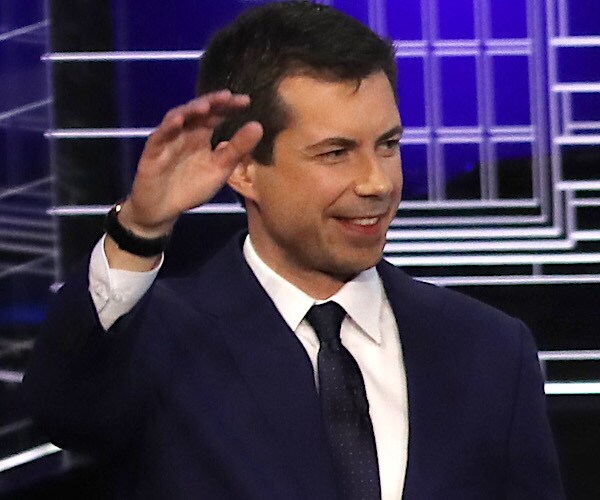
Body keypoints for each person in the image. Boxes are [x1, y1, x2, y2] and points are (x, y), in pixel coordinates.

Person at [23, 1, 563, 499]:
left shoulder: (490, 350)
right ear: (243, 168)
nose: (377, 182)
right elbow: (63, 408)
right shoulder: (160, 342)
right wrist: (138, 227)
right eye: (336, 153)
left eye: (388, 145)